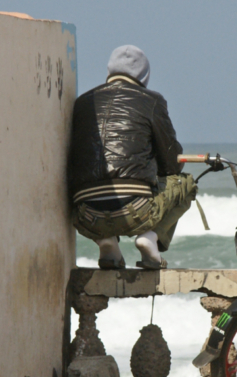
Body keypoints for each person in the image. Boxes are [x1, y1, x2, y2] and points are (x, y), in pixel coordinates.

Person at [67, 45, 196, 270]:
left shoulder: (81, 103)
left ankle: (106, 241)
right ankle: (150, 238)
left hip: (86, 215)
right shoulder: (152, 100)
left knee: (90, 190)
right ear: (144, 75)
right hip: (136, 211)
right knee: (187, 184)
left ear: (109, 71)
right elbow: (172, 163)